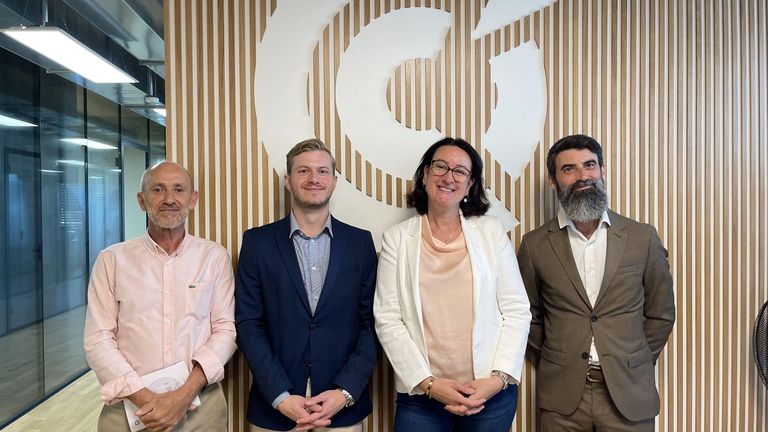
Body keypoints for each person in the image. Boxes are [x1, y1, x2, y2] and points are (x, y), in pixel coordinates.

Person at [517, 134, 676, 431]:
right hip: (562, 400)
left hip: (629, 394)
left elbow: (661, 314)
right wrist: (559, 354)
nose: (582, 176)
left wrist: (634, 358)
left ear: (602, 171)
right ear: (553, 181)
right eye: (569, 169)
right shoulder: (534, 245)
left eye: (589, 165)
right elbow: (527, 315)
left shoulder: (642, 238)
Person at [374, 137, 532, 431]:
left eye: (460, 171)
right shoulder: (397, 238)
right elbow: (388, 319)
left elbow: (517, 310)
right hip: (422, 395)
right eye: (440, 167)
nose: (448, 177)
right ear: (425, 174)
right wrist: (428, 384)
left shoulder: (491, 232)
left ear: (470, 184)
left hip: (488, 393)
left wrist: (497, 380)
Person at [236, 138, 378, 432]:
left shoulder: (360, 243)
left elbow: (372, 324)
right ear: (288, 181)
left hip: (341, 408)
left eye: (323, 171)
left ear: (334, 181)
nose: (314, 178)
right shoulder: (257, 243)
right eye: (303, 171)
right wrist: (280, 396)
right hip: (276, 407)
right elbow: (248, 323)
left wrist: (345, 392)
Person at [84, 161, 237, 432]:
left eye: (179, 189)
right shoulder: (111, 260)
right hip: (129, 410)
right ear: (141, 200)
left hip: (201, 407)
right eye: (158, 190)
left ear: (193, 199)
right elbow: (98, 339)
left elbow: (225, 330)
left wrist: (183, 395)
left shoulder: (214, 257)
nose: (169, 199)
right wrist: (147, 399)